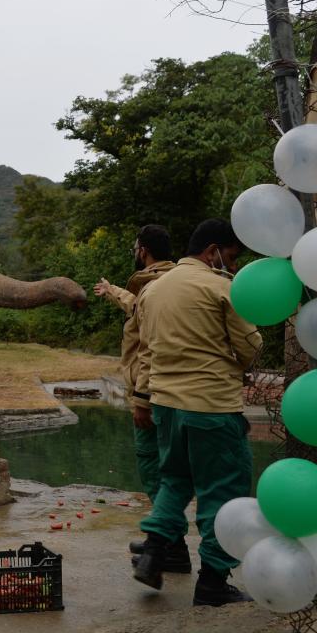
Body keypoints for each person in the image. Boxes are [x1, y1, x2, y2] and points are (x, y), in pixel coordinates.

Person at [132, 219, 262, 607]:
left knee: (174, 480)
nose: (232, 265)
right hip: (212, 407)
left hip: (166, 406)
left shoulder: (152, 290)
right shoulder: (222, 287)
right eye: (231, 256)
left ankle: (154, 551)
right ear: (212, 252)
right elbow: (250, 345)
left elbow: (147, 349)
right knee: (223, 492)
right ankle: (213, 582)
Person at [93, 225, 190, 574]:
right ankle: (167, 544)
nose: (134, 251)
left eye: (136, 247)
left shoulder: (152, 286)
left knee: (156, 471)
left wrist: (142, 399)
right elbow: (134, 307)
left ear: (143, 251)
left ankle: (169, 546)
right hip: (177, 397)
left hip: (156, 397)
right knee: (171, 473)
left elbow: (149, 347)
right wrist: (110, 291)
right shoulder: (168, 282)